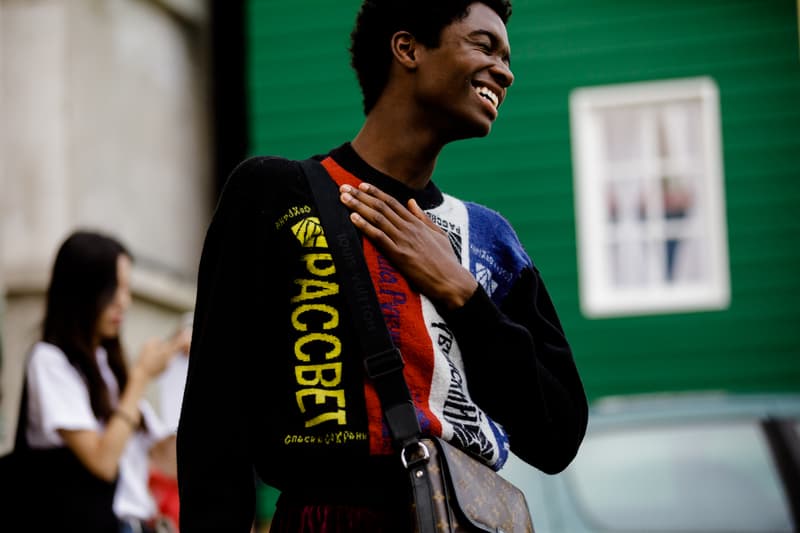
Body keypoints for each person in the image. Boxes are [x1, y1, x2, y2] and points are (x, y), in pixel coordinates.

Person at [177, 1, 588, 531]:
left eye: (508, 57)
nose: (506, 70)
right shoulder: (273, 196)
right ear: (408, 48)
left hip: (459, 517)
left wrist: (462, 293)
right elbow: (216, 425)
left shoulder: (489, 241)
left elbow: (557, 436)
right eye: (485, 46)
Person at [17, 230, 190, 532]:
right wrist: (140, 378)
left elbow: (170, 462)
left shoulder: (108, 367)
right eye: (115, 289)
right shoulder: (49, 361)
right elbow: (102, 462)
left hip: (139, 523)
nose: (125, 302)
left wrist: (186, 364)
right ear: (83, 291)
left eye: (127, 289)